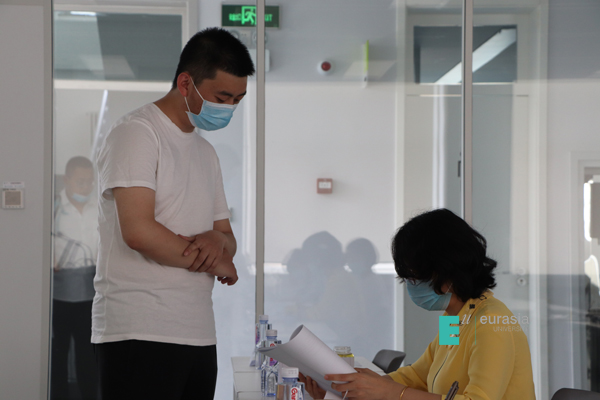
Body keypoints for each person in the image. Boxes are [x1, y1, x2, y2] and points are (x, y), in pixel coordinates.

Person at [92, 27, 254, 400]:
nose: (229, 108)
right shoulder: (137, 133)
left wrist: (217, 241)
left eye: (238, 99)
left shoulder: (205, 152)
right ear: (185, 83)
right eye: (222, 97)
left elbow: (227, 237)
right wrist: (217, 259)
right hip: (139, 330)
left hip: (198, 332)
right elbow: (139, 232)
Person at [301, 209, 536, 400]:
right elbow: (420, 375)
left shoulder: (490, 323)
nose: (410, 285)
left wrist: (391, 393)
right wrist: (357, 387)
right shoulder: (455, 319)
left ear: (447, 271)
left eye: (414, 277)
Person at [52, 156, 98, 400]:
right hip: (58, 294)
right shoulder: (53, 209)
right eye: (81, 182)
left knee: (87, 353)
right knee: (57, 353)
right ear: (67, 180)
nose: (86, 187)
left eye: (90, 182)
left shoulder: (98, 209)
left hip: (90, 292)